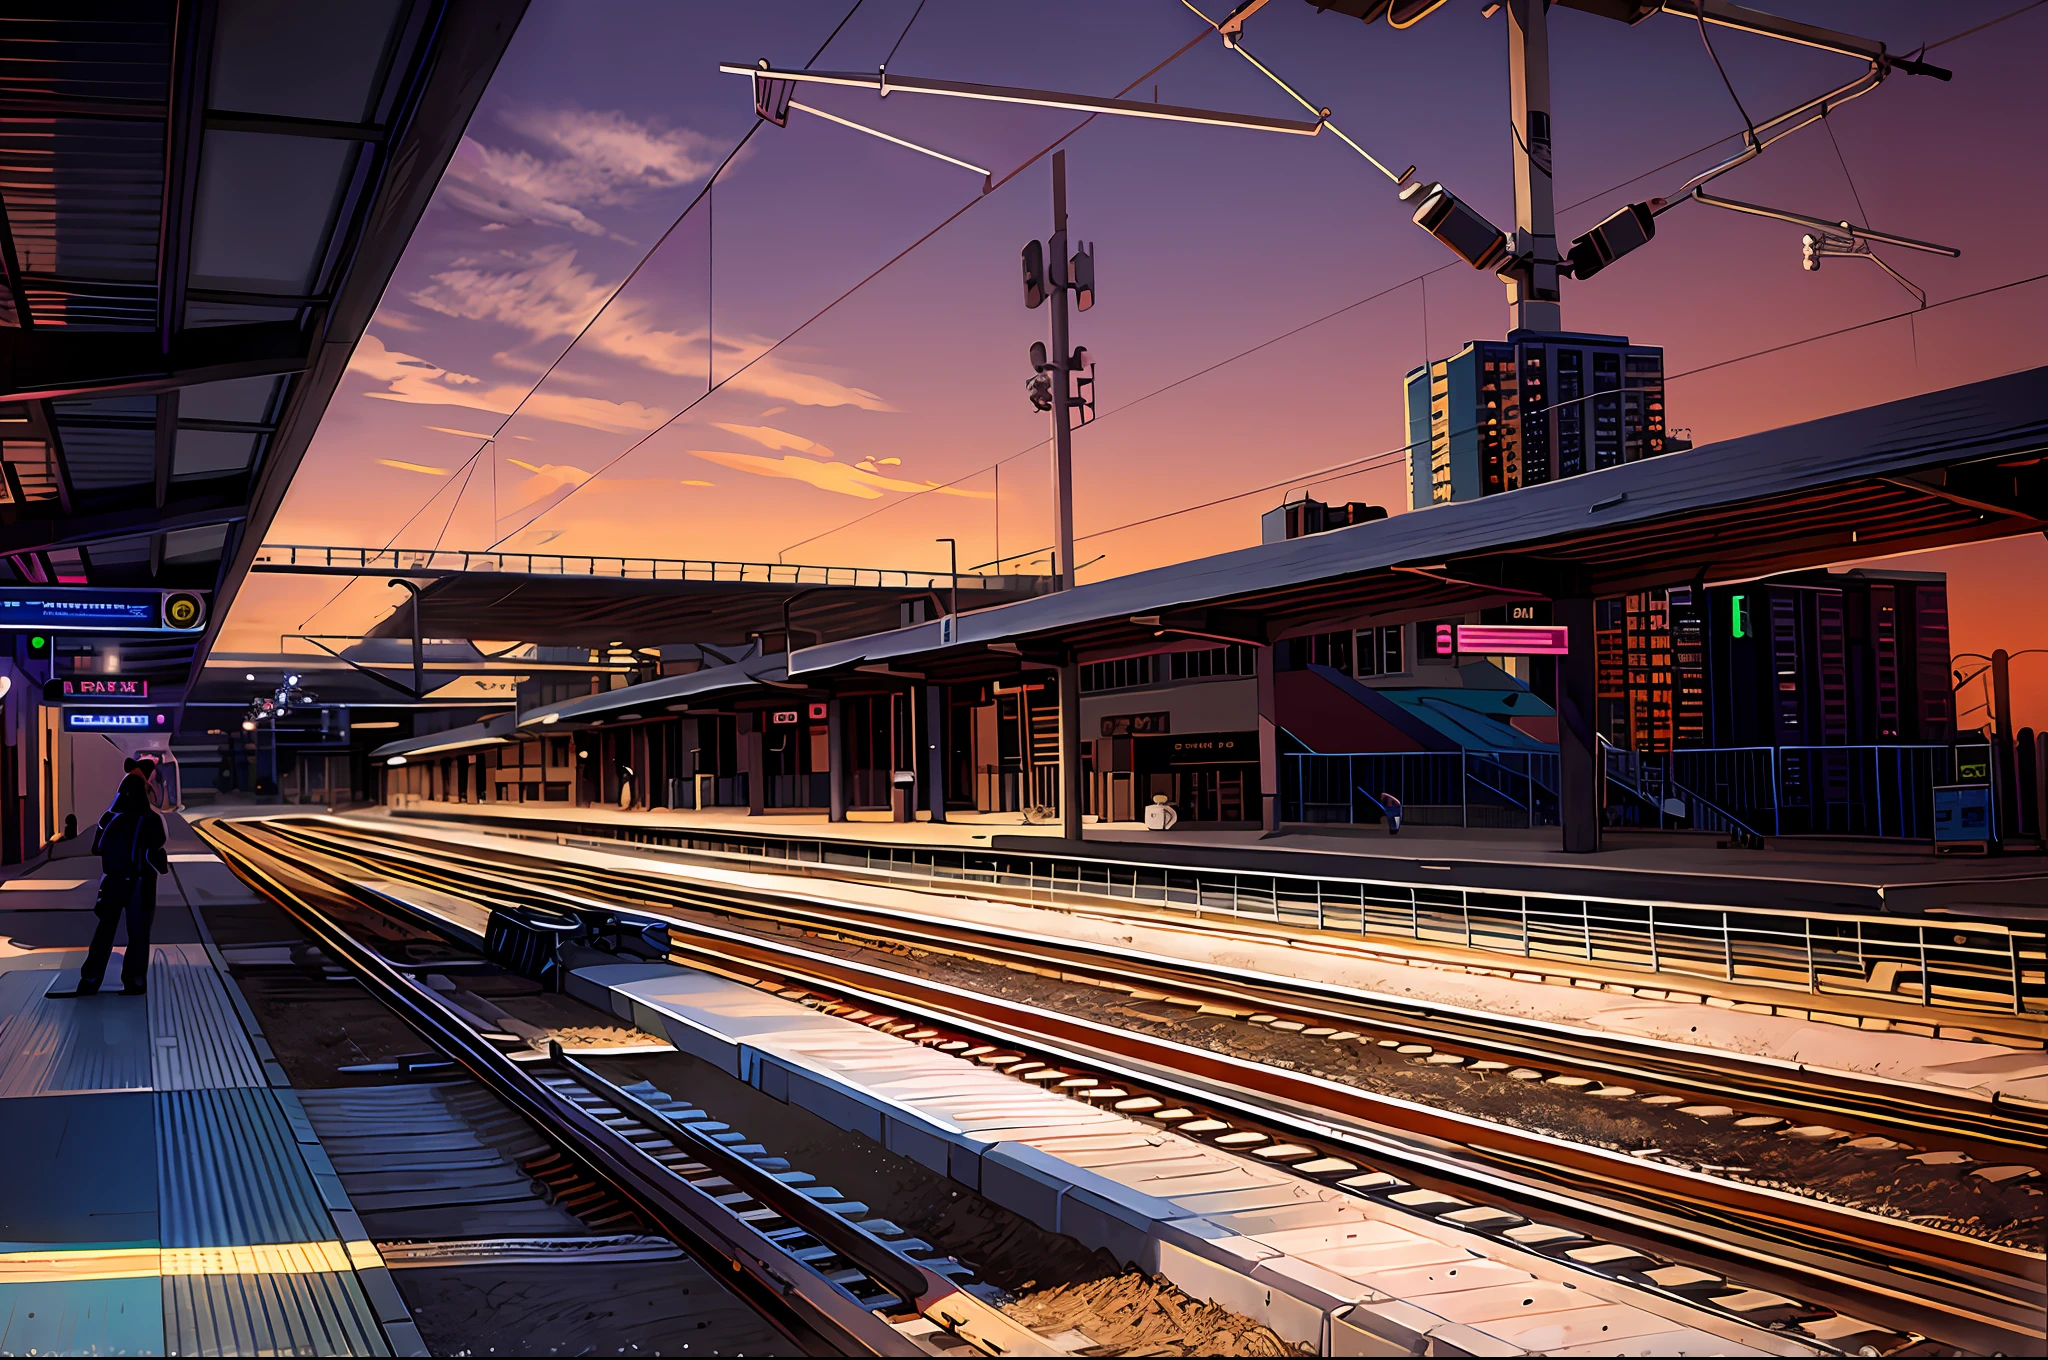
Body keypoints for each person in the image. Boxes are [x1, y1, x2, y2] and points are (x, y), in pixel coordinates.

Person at [63, 758, 169, 997]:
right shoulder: (150, 819)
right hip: (141, 883)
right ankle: (134, 982)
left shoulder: (108, 817)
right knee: (138, 934)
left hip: (111, 881)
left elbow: (96, 848)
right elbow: (157, 847)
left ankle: (90, 981)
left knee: (104, 931)